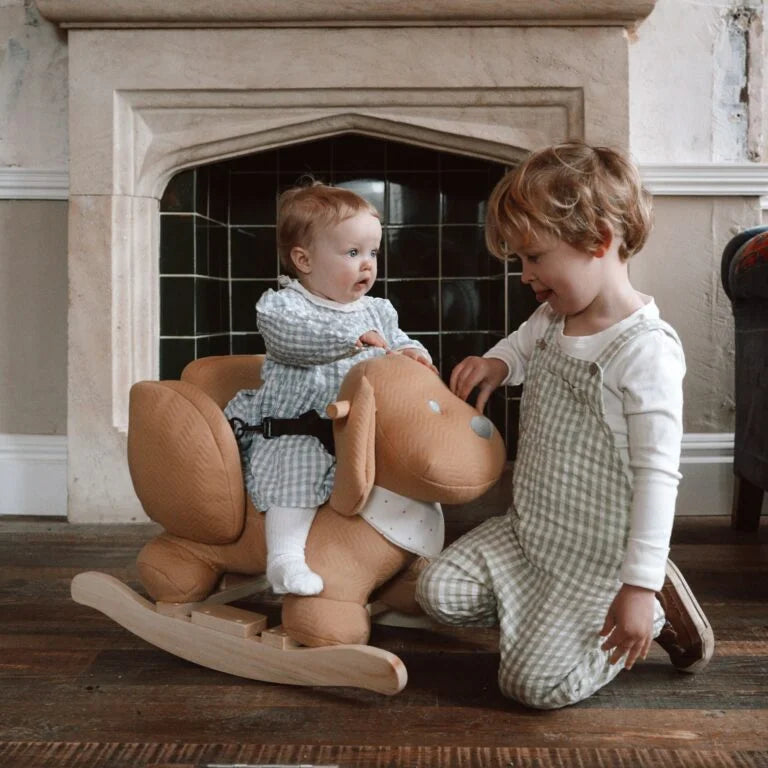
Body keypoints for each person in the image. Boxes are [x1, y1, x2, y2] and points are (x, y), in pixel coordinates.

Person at [415, 142, 714, 709]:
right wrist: (497, 362)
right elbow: (522, 346)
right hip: (531, 534)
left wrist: (636, 583)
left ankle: (653, 604)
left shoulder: (645, 352)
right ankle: (544, 616)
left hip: (597, 557)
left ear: (598, 241)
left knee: (533, 687)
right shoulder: (553, 316)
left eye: (534, 257)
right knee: (438, 591)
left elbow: (657, 478)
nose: (524, 274)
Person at [225, 182, 434, 597]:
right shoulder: (285, 306)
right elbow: (294, 341)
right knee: (296, 469)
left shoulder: (378, 309)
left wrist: (413, 354)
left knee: (397, 467)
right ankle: (284, 559)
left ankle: (402, 555)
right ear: (303, 259)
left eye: (373, 252)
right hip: (299, 426)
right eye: (352, 253)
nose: (367, 265)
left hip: (356, 429)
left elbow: (400, 340)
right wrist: (352, 339)